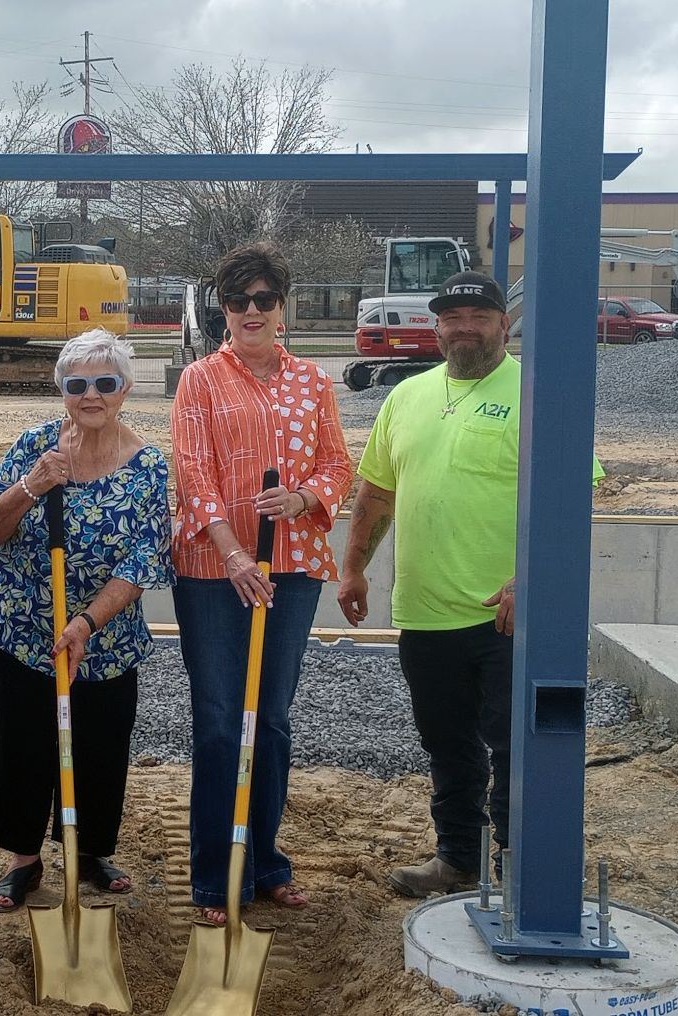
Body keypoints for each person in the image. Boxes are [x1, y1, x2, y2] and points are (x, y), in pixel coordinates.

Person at [338, 270, 603, 897]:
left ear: (501, 324)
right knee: (448, 747)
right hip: (426, 612)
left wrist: (528, 579)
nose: (464, 328)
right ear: (437, 327)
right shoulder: (407, 396)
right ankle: (459, 859)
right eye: (451, 318)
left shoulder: (538, 392)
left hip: (506, 613)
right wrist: (353, 568)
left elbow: (573, 494)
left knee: (516, 744)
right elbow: (376, 491)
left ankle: (518, 864)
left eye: (477, 317)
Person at [170, 242, 354, 926]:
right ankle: (216, 874)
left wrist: (305, 500)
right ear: (224, 308)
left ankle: (267, 859)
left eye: (264, 300)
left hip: (292, 569)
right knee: (220, 723)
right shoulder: (200, 380)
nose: (252, 311)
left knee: (270, 720)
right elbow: (193, 471)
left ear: (283, 307)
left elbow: (338, 466)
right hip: (217, 574)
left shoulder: (313, 383)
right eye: (239, 300)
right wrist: (232, 551)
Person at [0, 329, 171, 913]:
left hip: (102, 637)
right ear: (61, 389)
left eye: (104, 383)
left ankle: (86, 853)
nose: (91, 395)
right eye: (77, 383)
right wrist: (34, 485)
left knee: (98, 746)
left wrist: (86, 621)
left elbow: (143, 560)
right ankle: (23, 861)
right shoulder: (34, 446)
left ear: (125, 389)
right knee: (23, 743)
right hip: (24, 625)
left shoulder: (148, 465)